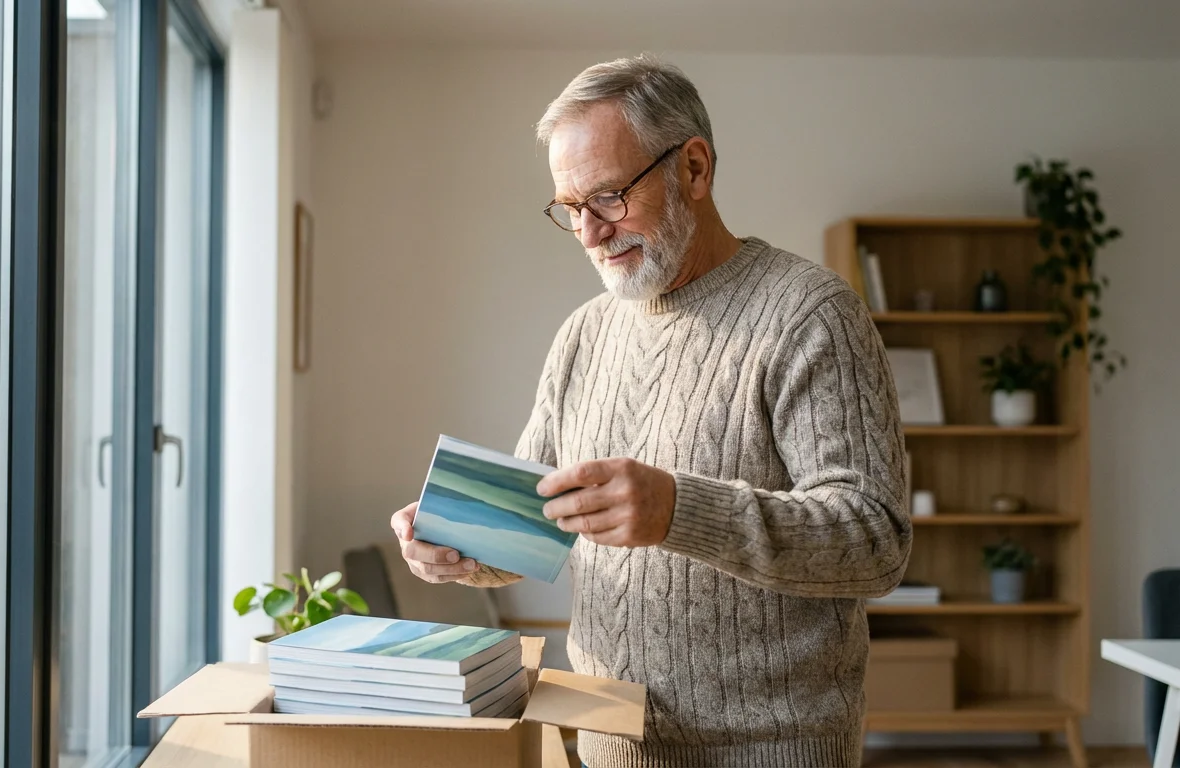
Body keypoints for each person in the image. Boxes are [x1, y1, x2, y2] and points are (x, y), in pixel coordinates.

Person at [389, 54, 911, 767]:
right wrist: (456, 549)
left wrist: (678, 511)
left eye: (607, 196)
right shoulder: (582, 335)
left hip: (775, 749)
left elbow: (875, 540)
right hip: (610, 741)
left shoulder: (810, 315)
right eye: (569, 209)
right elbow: (537, 529)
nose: (591, 234)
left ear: (694, 169)